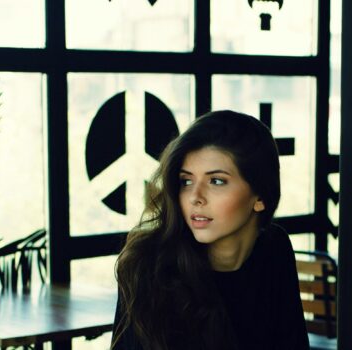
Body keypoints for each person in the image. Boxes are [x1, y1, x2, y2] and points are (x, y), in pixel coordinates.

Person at [111, 110, 309, 350]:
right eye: (186, 181)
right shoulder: (150, 265)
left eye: (216, 181)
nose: (195, 197)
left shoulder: (274, 247)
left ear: (260, 196)